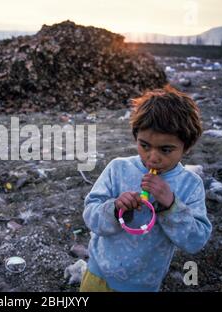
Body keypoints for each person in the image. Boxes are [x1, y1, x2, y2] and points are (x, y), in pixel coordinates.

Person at [80, 85, 212, 292]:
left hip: (142, 284)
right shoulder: (118, 168)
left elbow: (196, 241)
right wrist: (115, 208)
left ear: (186, 147)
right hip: (99, 274)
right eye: (145, 146)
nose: (153, 157)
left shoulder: (190, 185)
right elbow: (90, 215)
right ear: (136, 138)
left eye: (165, 149)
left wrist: (171, 205)